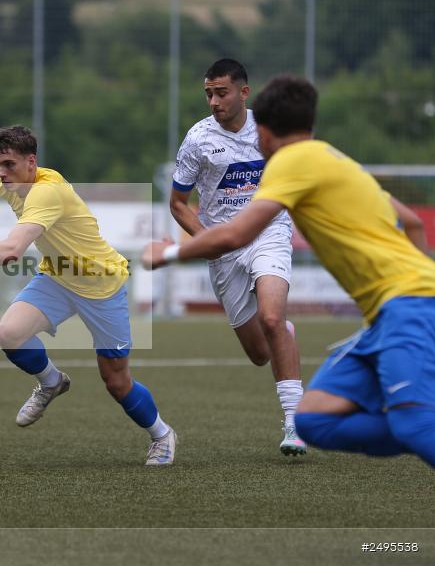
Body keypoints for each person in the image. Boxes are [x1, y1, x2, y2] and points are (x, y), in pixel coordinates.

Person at [143, 75, 435, 468]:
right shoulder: (331, 158)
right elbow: (413, 224)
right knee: (314, 420)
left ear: (262, 131)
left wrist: (169, 252)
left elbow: (237, 234)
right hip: (390, 315)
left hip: (410, 309)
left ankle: (415, 427)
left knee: (415, 426)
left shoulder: (289, 163)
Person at [0, 126, 177, 465]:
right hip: (56, 277)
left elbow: (11, 250)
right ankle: (51, 382)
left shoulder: (45, 192)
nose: (1, 173)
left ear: (31, 162)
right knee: (9, 334)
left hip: (101, 285)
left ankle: (162, 434)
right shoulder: (9, 186)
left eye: (8, 164)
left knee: (116, 381)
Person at [170, 58, 306, 455]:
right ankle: (282, 335)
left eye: (221, 92)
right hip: (224, 247)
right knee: (260, 353)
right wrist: (209, 240)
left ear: (244, 92)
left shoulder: (271, 128)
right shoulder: (197, 139)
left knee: (271, 316)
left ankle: (294, 425)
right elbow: (178, 204)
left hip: (269, 232)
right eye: (208, 93)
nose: (213, 100)